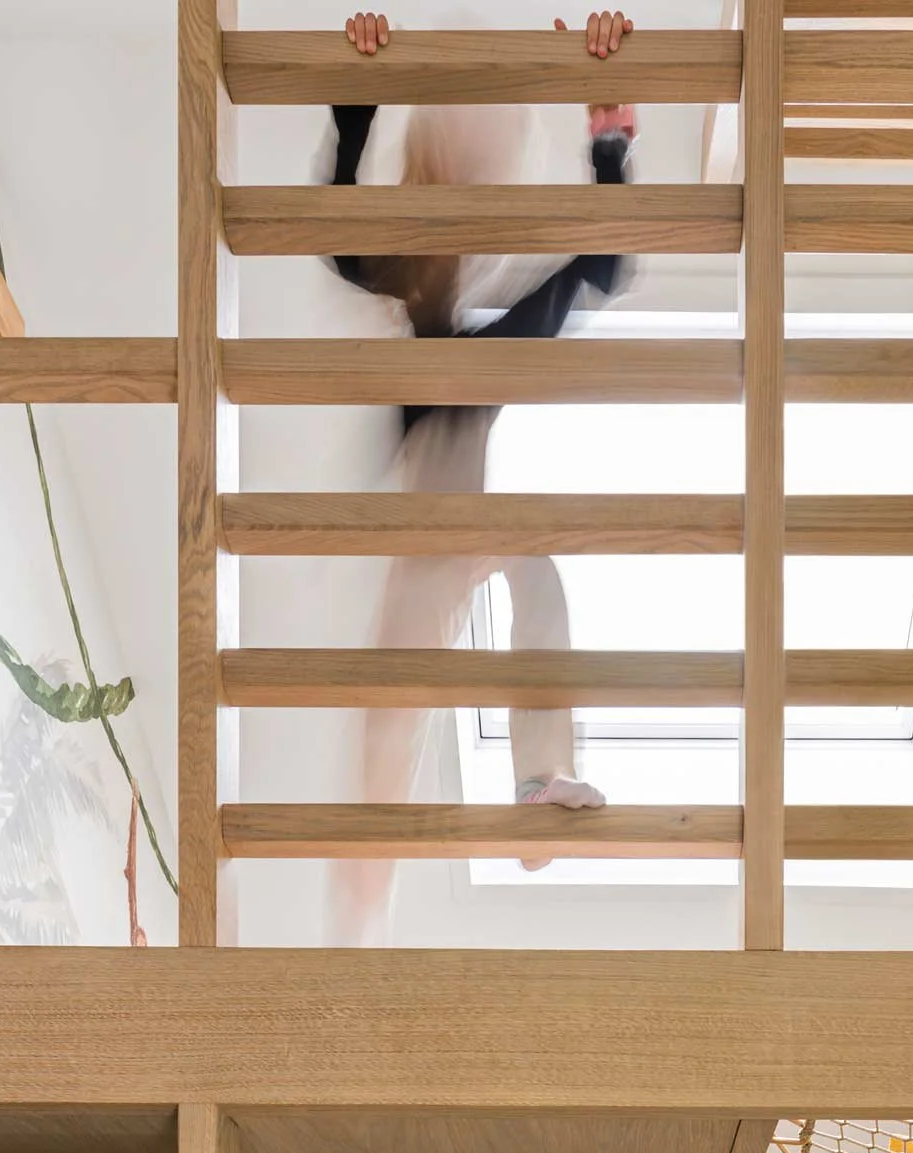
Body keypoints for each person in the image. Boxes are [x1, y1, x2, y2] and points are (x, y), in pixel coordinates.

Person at [325, 9, 636, 939]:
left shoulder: (488, 330)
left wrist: (608, 140)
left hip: (465, 520)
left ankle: (538, 782)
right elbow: (339, 231)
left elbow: (601, 268)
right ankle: (356, 922)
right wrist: (359, 99)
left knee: (539, 572)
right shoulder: (398, 279)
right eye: (455, 169)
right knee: (390, 732)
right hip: (419, 533)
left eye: (485, 173)